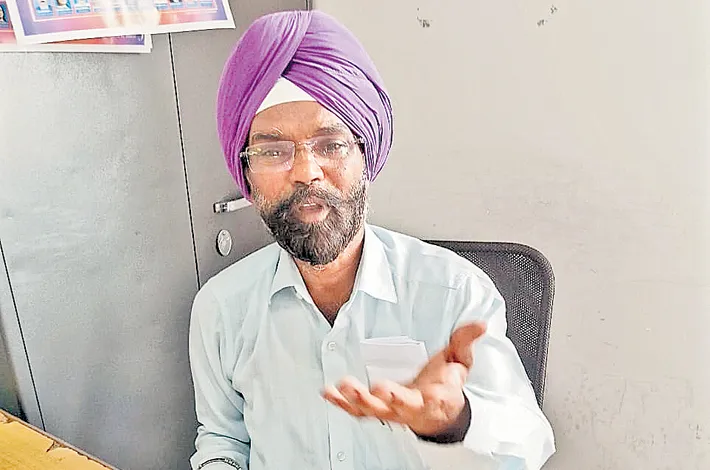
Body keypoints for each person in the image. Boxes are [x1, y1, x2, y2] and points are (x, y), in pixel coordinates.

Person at [189, 10, 555, 470]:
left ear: (366, 154)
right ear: (246, 172)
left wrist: (455, 421)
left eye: (330, 144)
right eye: (273, 151)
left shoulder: (454, 292)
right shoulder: (222, 308)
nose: (305, 172)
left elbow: (529, 444)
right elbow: (223, 439)